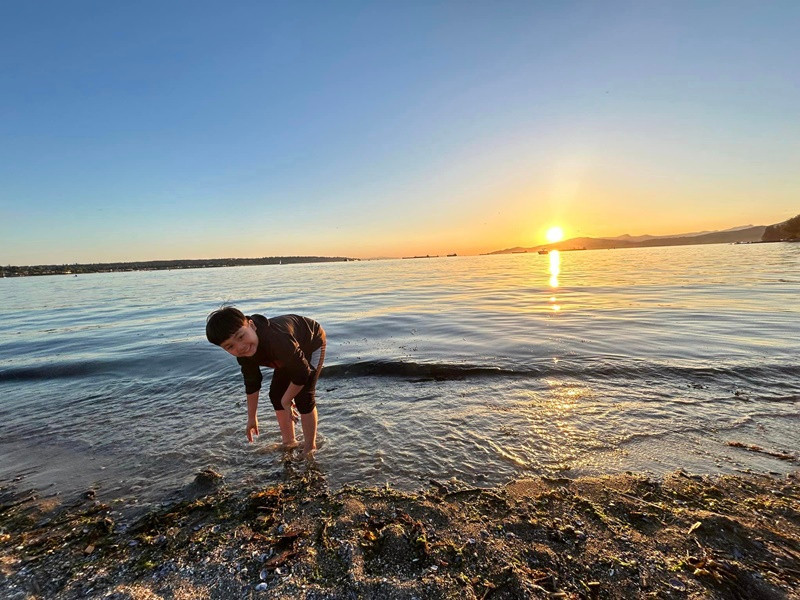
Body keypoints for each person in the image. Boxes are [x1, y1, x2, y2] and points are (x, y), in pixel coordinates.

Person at [205, 307, 326, 458]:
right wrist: (251, 418)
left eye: (241, 337)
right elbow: (252, 382)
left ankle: (310, 447)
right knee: (276, 395)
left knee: (304, 397)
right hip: (287, 355)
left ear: (251, 325)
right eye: (230, 346)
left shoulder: (276, 338)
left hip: (311, 341)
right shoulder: (244, 354)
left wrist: (287, 400)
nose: (240, 347)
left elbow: (302, 373)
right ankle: (289, 442)